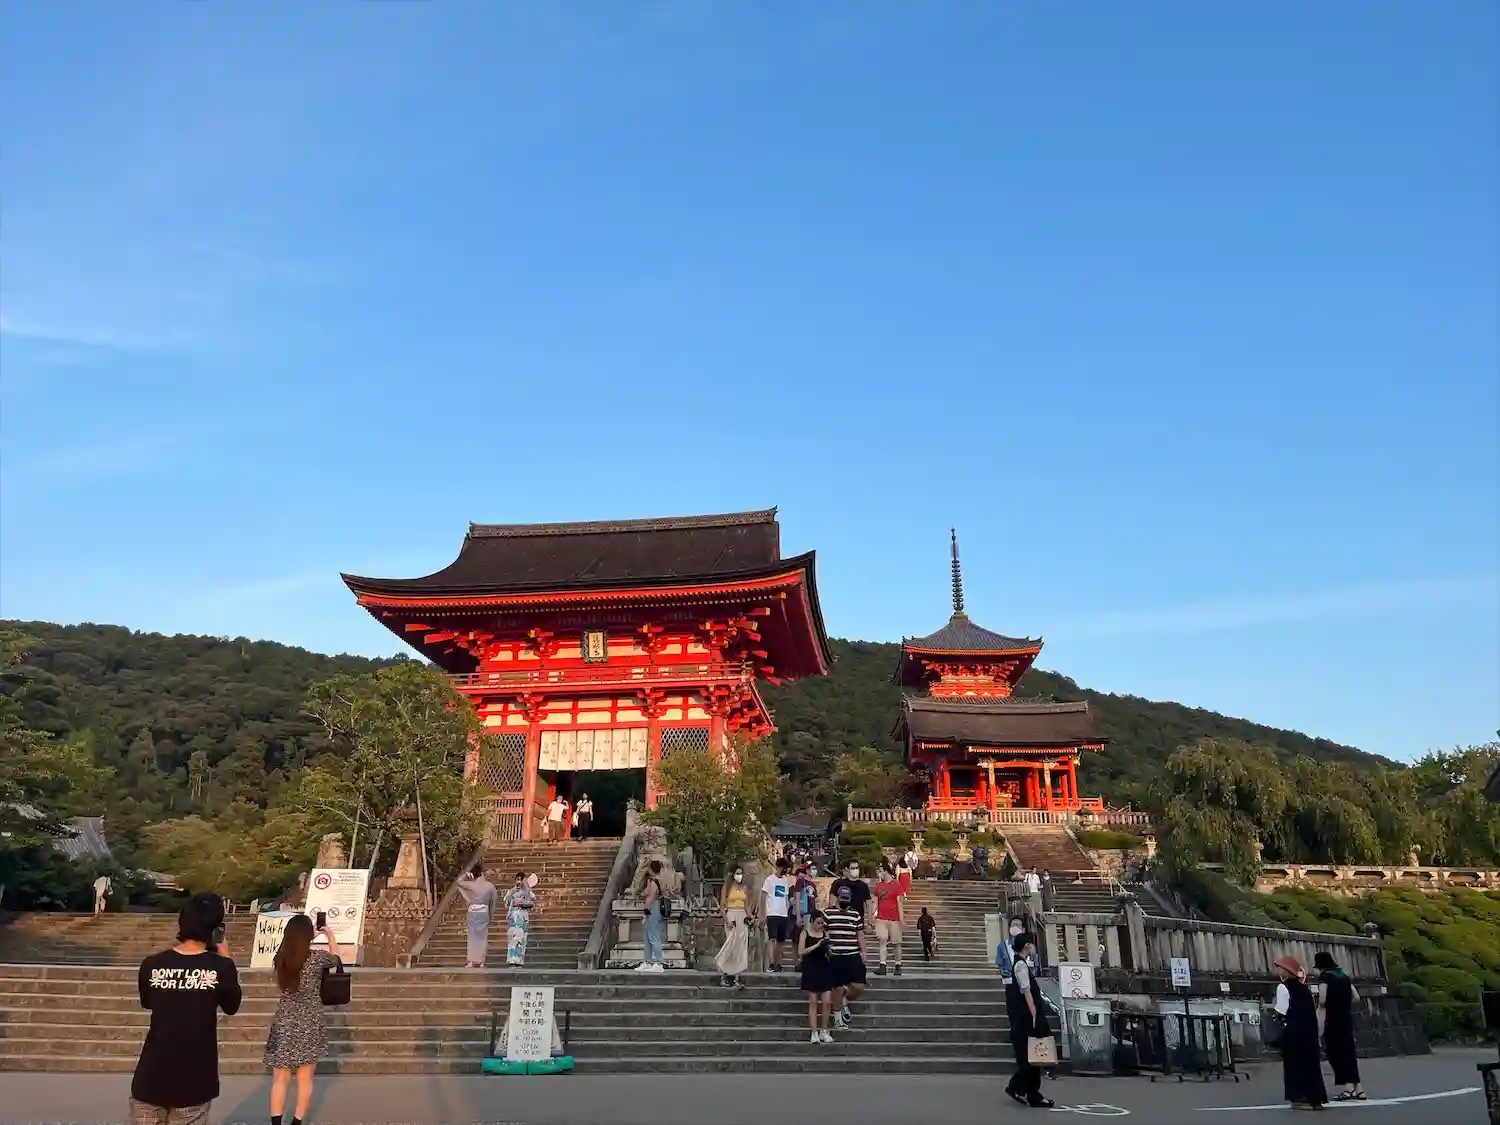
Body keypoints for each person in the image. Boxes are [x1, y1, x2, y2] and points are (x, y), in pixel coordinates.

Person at [130, 892, 242, 1125]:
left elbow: (147, 1002)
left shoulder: (152, 964)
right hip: (195, 1080)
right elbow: (232, 1006)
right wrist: (225, 956)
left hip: (151, 1076)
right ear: (216, 928)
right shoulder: (221, 967)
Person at [264, 913, 340, 1125]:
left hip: (284, 1020)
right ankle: (296, 1122)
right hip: (310, 1020)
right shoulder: (317, 959)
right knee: (305, 1078)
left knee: (280, 1079)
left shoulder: (280, 959)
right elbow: (336, 958)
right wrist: (328, 934)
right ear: (308, 935)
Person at [1004, 931, 1055, 1109]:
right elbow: (1026, 992)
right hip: (1027, 1018)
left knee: (1032, 1058)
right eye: (1032, 944)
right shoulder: (1020, 966)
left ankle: (1026, 1091)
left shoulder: (1021, 964)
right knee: (1031, 1057)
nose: (1034, 947)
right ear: (1027, 946)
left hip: (1027, 1017)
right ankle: (1022, 1090)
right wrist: (1034, 1015)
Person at [1274, 956, 1329, 1111]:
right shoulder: (1305, 989)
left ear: (1287, 971)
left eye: (1281, 968)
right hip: (1309, 1031)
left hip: (1293, 1031)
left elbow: (1282, 1010)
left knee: (1294, 1065)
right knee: (1311, 1065)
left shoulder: (1283, 987)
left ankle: (1300, 1098)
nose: (1279, 971)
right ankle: (1315, 1098)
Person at [1314, 951, 1364, 1101]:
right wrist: (1344, 1003)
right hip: (1346, 1018)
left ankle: (1348, 1088)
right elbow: (1356, 997)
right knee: (1349, 1052)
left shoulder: (1325, 977)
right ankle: (1359, 1088)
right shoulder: (1344, 975)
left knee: (1335, 1053)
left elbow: (1322, 1000)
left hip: (1332, 1019)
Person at [825, 885, 867, 1030]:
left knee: (859, 986)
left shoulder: (855, 914)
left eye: (847, 899)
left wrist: (864, 951)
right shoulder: (828, 913)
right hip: (835, 955)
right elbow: (824, 932)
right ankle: (837, 1018)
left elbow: (860, 933)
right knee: (838, 987)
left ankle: (844, 1000)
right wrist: (827, 949)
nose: (845, 901)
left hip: (852, 954)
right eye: (842, 898)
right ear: (837, 897)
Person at [799, 911, 836, 1044]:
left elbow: (830, 953)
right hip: (811, 969)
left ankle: (824, 1030)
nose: (820, 925)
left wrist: (828, 947)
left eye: (822, 923)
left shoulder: (825, 934)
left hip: (824, 968)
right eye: (818, 923)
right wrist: (817, 945)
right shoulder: (805, 933)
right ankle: (814, 1032)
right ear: (812, 922)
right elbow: (801, 951)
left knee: (827, 1001)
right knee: (813, 1001)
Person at [455, 864, 498, 968]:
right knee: (482, 937)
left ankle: (471, 960)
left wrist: (465, 875)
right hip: (484, 912)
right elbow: (494, 901)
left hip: (473, 911)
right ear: (482, 873)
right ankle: (481, 961)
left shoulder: (471, 885)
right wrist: (490, 915)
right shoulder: (490, 886)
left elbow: (458, 882)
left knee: (472, 936)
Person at [716, 864, 751, 988]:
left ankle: (737, 978)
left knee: (740, 947)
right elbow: (722, 907)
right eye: (737, 873)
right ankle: (724, 975)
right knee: (730, 945)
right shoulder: (727, 887)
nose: (740, 876)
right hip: (731, 915)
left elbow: (746, 906)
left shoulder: (744, 888)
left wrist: (750, 917)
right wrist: (727, 921)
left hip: (742, 916)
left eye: (741, 873)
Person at [871, 865, 904, 976]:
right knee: (882, 940)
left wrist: (901, 919)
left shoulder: (896, 884)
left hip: (894, 919)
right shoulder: (878, 886)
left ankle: (898, 965)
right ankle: (882, 965)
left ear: (886, 871)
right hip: (881, 918)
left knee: (896, 943)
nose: (879, 873)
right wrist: (873, 915)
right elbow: (875, 901)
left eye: (880, 871)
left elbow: (899, 902)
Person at [761, 858, 794, 972]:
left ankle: (777, 963)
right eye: (783, 868)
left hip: (783, 914)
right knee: (772, 939)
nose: (785, 870)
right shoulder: (769, 880)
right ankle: (771, 963)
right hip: (772, 913)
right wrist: (762, 914)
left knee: (781, 941)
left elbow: (785, 898)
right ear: (779, 867)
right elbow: (763, 897)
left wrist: (788, 908)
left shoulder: (785, 880)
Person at [635, 859, 666, 973]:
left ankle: (658, 962)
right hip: (655, 908)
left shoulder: (654, 882)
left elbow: (650, 898)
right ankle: (648, 962)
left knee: (653, 935)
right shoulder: (657, 881)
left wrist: (646, 913)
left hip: (654, 909)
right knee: (648, 936)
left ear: (651, 869)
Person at [503, 871, 536, 967]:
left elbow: (532, 903)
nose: (518, 882)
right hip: (513, 916)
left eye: (520, 880)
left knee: (521, 938)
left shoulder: (528, 892)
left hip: (522, 916)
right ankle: (511, 959)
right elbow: (506, 901)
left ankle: (519, 959)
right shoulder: (512, 891)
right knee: (512, 937)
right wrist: (513, 892)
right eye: (517, 880)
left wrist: (524, 898)